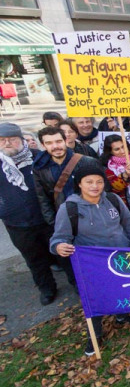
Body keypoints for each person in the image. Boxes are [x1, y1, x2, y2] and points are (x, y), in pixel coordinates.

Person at [50, 159, 130, 356]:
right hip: (92, 264)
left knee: (120, 289)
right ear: (80, 184)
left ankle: (122, 315)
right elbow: (58, 238)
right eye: (89, 182)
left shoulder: (114, 200)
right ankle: (95, 334)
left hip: (120, 257)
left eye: (99, 181)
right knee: (94, 300)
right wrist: (58, 247)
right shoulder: (70, 208)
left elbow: (129, 224)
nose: (95, 186)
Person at [0, 123, 62, 304]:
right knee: (34, 260)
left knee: (61, 254)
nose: (7, 143)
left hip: (47, 219)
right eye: (2, 140)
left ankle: (75, 283)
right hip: (17, 224)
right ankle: (47, 289)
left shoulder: (39, 158)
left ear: (21, 140)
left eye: (12, 139)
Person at [33, 126, 96, 226]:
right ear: (43, 145)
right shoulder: (40, 168)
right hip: (64, 220)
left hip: (91, 217)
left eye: (58, 141)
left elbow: (103, 191)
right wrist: (54, 223)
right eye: (49, 143)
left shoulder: (86, 162)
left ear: (65, 141)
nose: (55, 146)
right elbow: (43, 199)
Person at [100, 134, 130, 212]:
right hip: (122, 207)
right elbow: (112, 189)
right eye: (117, 149)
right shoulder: (106, 167)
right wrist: (125, 175)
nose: (122, 151)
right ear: (110, 152)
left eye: (123, 147)